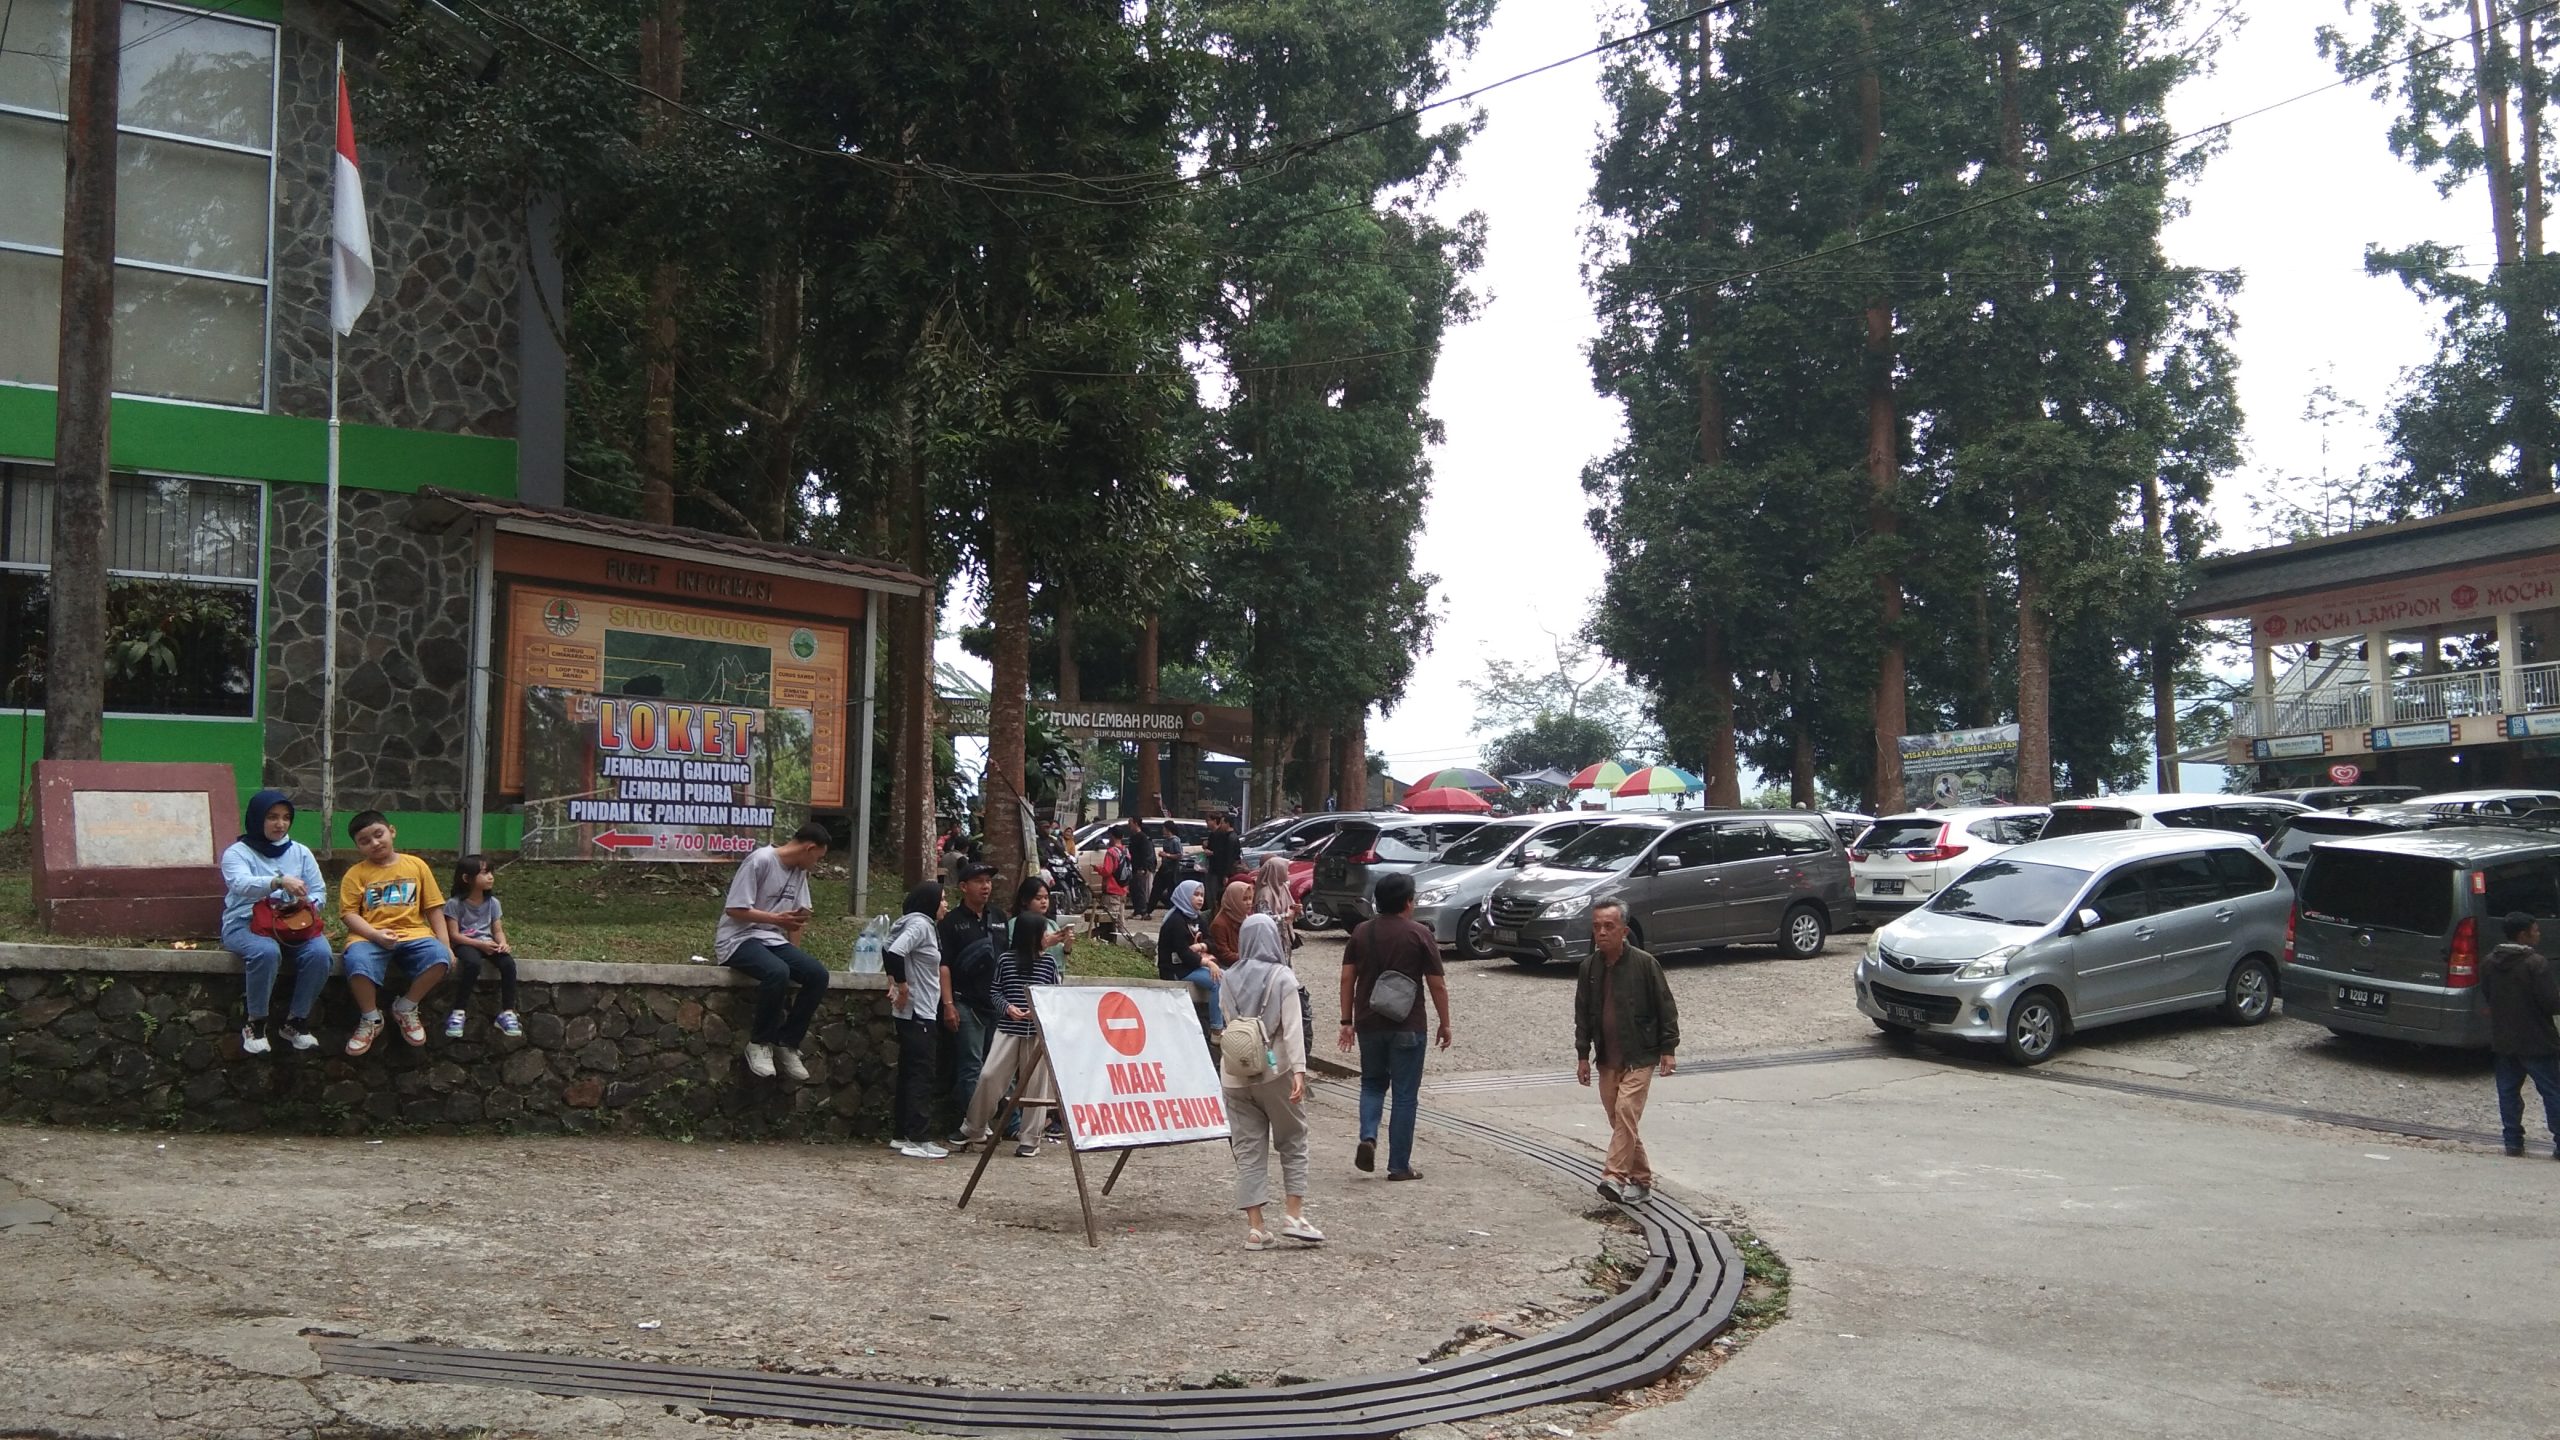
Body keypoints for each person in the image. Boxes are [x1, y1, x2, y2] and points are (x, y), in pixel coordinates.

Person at [1338, 871, 1450, 1181]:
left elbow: (1348, 977)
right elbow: (1436, 984)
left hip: (1369, 1021)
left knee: (1372, 1083)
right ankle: (1399, 1165)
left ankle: (1368, 1136)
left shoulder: (1361, 932)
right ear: (1408, 902)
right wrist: (1445, 1023)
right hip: (1408, 1024)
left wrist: (1346, 1021)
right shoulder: (1419, 933)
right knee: (1404, 1094)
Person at [1224, 913, 1323, 1250]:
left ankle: (1255, 1227)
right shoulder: (1283, 977)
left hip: (1236, 1074)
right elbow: (1293, 1029)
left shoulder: (1228, 977)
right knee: (1293, 1139)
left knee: (1248, 1149)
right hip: (1276, 1070)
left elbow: (1229, 1024)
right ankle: (1294, 1215)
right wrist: (1299, 1070)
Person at [1574, 899, 1679, 1204]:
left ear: (1624, 930)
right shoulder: (1589, 968)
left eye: (1609, 926)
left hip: (1640, 1055)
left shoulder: (1645, 964)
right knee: (1621, 1121)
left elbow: (1666, 1007)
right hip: (1607, 1058)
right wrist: (1583, 1055)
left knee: (1625, 1112)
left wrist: (1668, 1049)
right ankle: (1642, 1181)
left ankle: (1613, 1176)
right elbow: (1582, 1015)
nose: (1601, 933)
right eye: (1596, 927)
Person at [714, 822, 833, 1081]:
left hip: (771, 939)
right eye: (818, 858)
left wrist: (795, 953)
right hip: (737, 938)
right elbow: (734, 909)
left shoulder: (800, 872)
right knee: (777, 972)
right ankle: (759, 1042)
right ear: (809, 848)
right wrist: (776, 920)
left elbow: (797, 917)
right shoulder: (760, 860)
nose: (817, 864)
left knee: (817, 975)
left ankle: (787, 1043)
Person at [218, 789, 332, 1054]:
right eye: (271, 817)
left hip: (292, 924)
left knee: (320, 952)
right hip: (245, 923)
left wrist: (303, 905)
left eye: (285, 817)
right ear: (257, 818)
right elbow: (240, 884)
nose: (280, 824)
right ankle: (255, 1023)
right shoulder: (237, 853)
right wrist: (278, 882)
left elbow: (319, 892)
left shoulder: (301, 852)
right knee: (265, 951)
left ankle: (296, 1022)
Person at [338, 810, 455, 1056]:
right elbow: (349, 914)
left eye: (378, 834)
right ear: (358, 847)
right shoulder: (355, 874)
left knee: (439, 958)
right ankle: (371, 1017)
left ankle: (406, 1007)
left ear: (391, 831)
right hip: (370, 936)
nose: (375, 843)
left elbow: (433, 907)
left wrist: (446, 944)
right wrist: (375, 935)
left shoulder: (417, 865)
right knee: (356, 962)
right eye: (365, 841)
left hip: (414, 934)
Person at [965, 877, 1068, 1156]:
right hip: (1009, 1027)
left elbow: (1054, 996)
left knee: (1036, 1086)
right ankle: (973, 1128)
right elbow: (995, 991)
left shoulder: (1048, 963)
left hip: (1037, 1032)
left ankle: (1029, 1139)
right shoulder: (1006, 960)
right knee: (989, 1076)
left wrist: (1036, 1013)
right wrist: (1009, 1008)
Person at [939, 860, 1005, 1149]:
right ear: (963, 887)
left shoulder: (1000, 917)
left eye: (988, 880)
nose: (986, 885)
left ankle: (1000, 1123)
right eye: (979, 880)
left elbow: (1009, 959)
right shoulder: (951, 922)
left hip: (997, 1005)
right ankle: (975, 1125)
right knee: (970, 1066)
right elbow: (944, 966)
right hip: (966, 1004)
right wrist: (949, 1004)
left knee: (996, 1068)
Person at [2484, 910, 2560, 1159]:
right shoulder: (2535, 964)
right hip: (2537, 1040)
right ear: (2523, 935)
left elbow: (2488, 996)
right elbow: (2551, 1003)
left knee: (2507, 1091)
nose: (2539, 934)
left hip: (2504, 1039)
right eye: (2535, 930)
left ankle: (2513, 1142)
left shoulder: (2489, 963)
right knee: (2551, 1092)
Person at [883, 882, 950, 1159]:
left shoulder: (907, 922)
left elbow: (887, 948)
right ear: (929, 902)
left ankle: (902, 1133)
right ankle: (918, 1138)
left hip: (911, 1013)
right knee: (922, 1075)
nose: (946, 904)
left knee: (910, 1074)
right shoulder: (921, 925)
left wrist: (894, 981)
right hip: (919, 1011)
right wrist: (903, 985)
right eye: (943, 900)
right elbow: (895, 952)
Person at [441, 856, 522, 1039]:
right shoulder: (454, 904)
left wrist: (502, 943)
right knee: (472, 963)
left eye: (491, 872)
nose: (491, 877)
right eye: (485, 873)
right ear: (466, 878)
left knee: (508, 964)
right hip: (466, 943)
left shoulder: (493, 903)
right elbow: (454, 935)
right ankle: (459, 1011)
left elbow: (497, 930)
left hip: (488, 942)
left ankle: (508, 1011)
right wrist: (480, 944)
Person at [1253, 853, 1311, 1041]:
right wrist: (1284, 917)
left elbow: (1292, 916)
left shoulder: (1283, 889)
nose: (1287, 872)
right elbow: (1263, 920)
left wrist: (1297, 912)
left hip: (1285, 940)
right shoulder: (1264, 893)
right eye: (1284, 869)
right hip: (1270, 942)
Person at [1157, 878, 1225, 1035]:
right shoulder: (1175, 920)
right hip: (1176, 968)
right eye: (1195, 894)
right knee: (1218, 982)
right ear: (1185, 895)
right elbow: (1183, 954)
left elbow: (1212, 942)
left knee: (1227, 977)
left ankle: (1227, 1022)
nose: (1200, 898)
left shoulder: (1197, 917)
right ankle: (1216, 1029)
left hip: (1192, 965)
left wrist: (1201, 946)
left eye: (1202, 894)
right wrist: (1208, 964)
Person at [1207, 878, 1254, 970]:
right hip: (1228, 968)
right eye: (1244, 899)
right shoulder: (1220, 924)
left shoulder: (1246, 918)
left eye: (1250, 898)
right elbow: (1224, 955)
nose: (1249, 903)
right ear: (1234, 900)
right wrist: (1249, 958)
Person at [1097, 827, 1135, 935]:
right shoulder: (1126, 851)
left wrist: (1097, 868)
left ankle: (1110, 940)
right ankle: (1123, 939)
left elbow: (1107, 871)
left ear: (1111, 836)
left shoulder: (1111, 852)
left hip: (1111, 890)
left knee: (1109, 920)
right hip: (1123, 889)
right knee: (1120, 919)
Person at [1150, 823, 1186, 916]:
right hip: (1164, 868)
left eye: (1164, 829)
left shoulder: (1175, 841)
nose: (1163, 830)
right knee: (1156, 888)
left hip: (1172, 870)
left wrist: (1167, 855)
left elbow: (1179, 855)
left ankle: (1173, 910)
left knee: (1171, 890)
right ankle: (1148, 910)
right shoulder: (1165, 841)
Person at [1205, 811, 1243, 888]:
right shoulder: (1228, 836)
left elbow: (1229, 857)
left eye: (1222, 823)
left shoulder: (1231, 838)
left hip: (1226, 871)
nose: (1220, 825)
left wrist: (1226, 874)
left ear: (1227, 824)